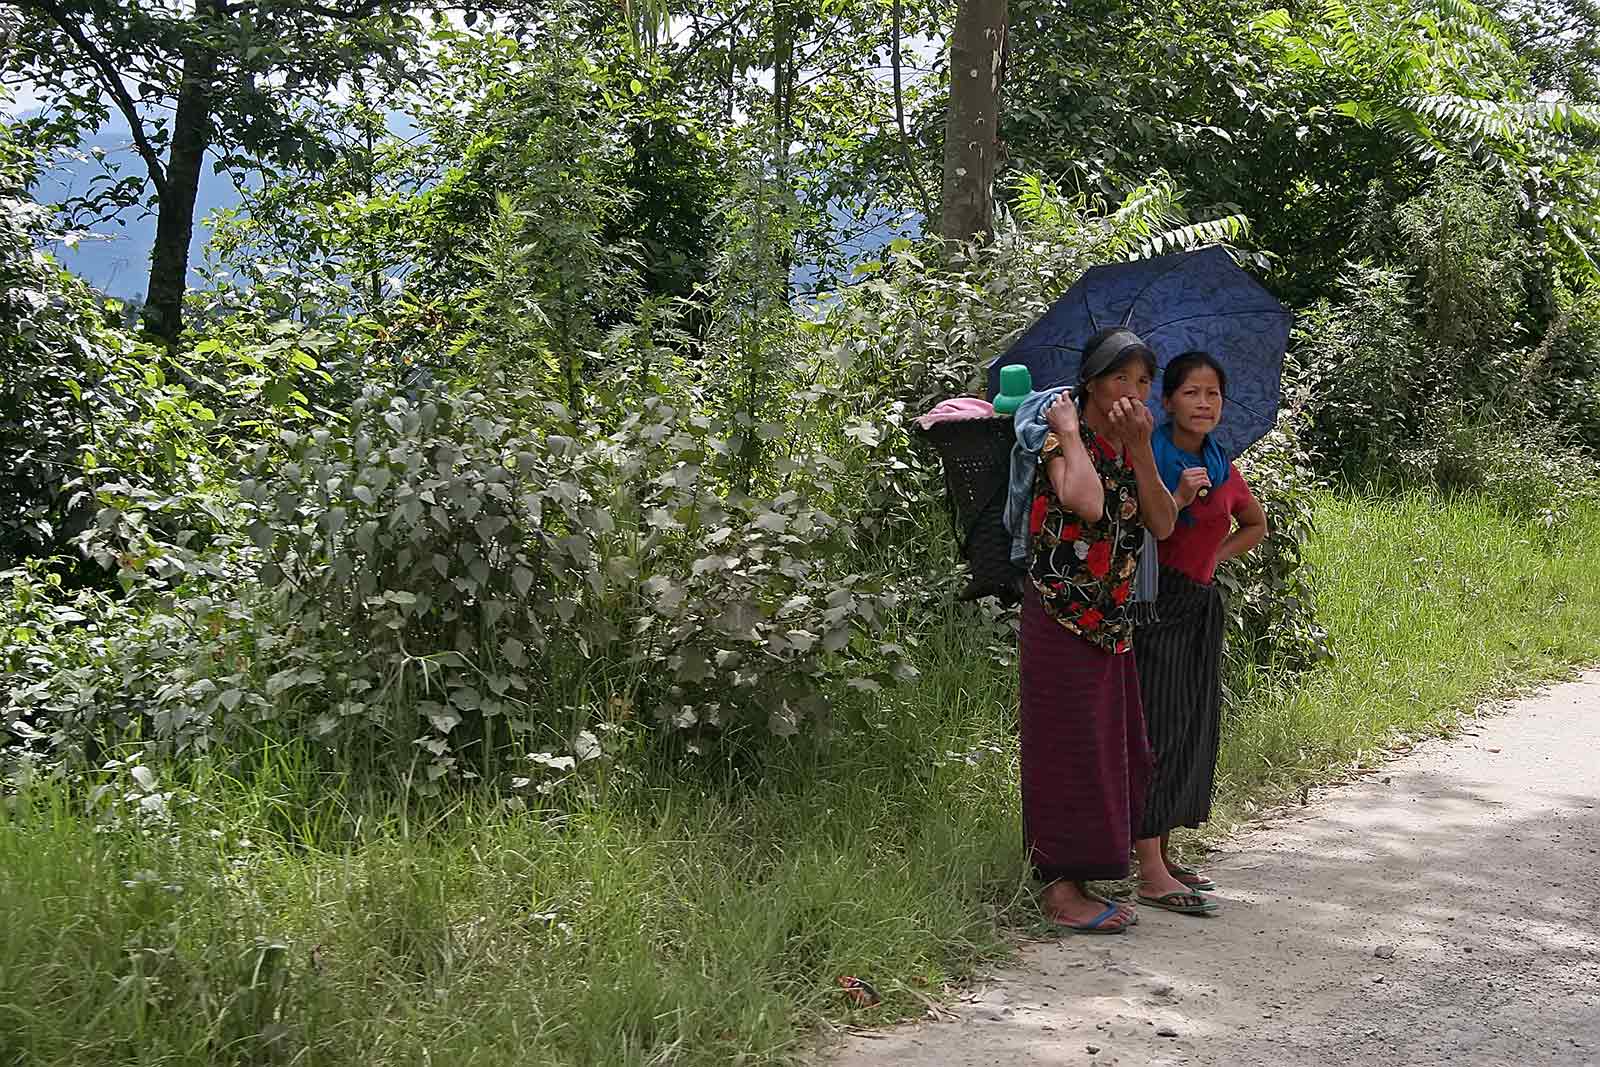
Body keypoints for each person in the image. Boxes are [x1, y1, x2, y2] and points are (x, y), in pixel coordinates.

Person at [1021, 327, 1177, 933]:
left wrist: (1141, 450)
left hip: (1109, 622)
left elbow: (1162, 524)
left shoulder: (1132, 447)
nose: (1133, 393)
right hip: (1061, 614)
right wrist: (1065, 429)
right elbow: (1084, 503)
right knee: (1067, 748)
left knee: (1114, 749)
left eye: (1143, 382)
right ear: (1090, 383)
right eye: (1121, 378)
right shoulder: (1061, 438)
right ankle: (1061, 892)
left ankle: (1090, 875)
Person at [1132, 350, 1268, 915]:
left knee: (1191, 725)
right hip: (1153, 603)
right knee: (1156, 729)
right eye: (1191, 392)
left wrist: (1216, 556)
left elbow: (1255, 524)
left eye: (1213, 394)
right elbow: (1143, 530)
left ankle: (1162, 851)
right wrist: (1180, 497)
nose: (1204, 403)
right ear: (1166, 402)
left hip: (1199, 603)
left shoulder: (1222, 464)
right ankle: (1148, 868)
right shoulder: (1149, 456)